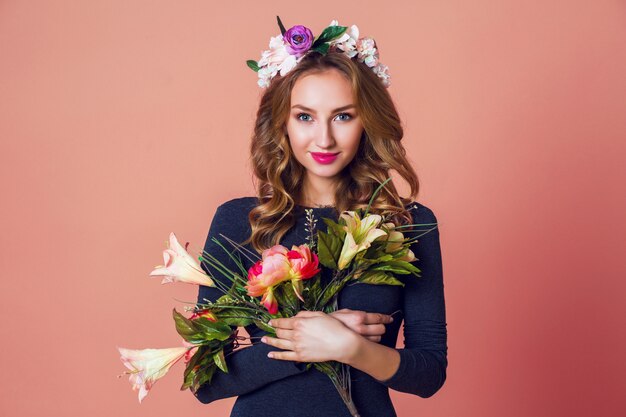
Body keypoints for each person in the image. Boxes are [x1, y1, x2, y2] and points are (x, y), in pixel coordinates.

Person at [193, 17, 447, 417]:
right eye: (305, 116)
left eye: (343, 116)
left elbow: (429, 373)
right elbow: (204, 379)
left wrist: (351, 348)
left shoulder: (408, 223)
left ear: (367, 121)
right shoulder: (239, 221)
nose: (324, 139)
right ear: (281, 122)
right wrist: (304, 345)